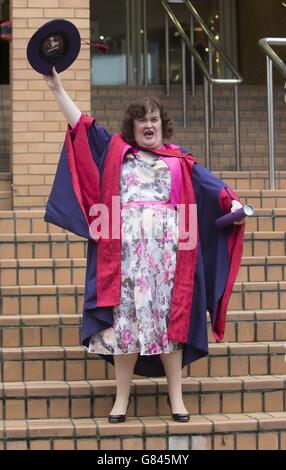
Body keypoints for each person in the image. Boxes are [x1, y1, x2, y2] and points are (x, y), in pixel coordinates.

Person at [43, 67, 245, 423]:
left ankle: (176, 399)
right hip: (125, 260)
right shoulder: (117, 151)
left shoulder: (180, 160)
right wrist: (58, 89)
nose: (148, 125)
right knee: (124, 324)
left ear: (162, 124)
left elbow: (215, 189)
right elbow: (83, 128)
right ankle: (121, 400)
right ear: (132, 127)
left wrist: (234, 207)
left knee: (171, 324)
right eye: (141, 120)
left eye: (153, 119)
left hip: (169, 259)